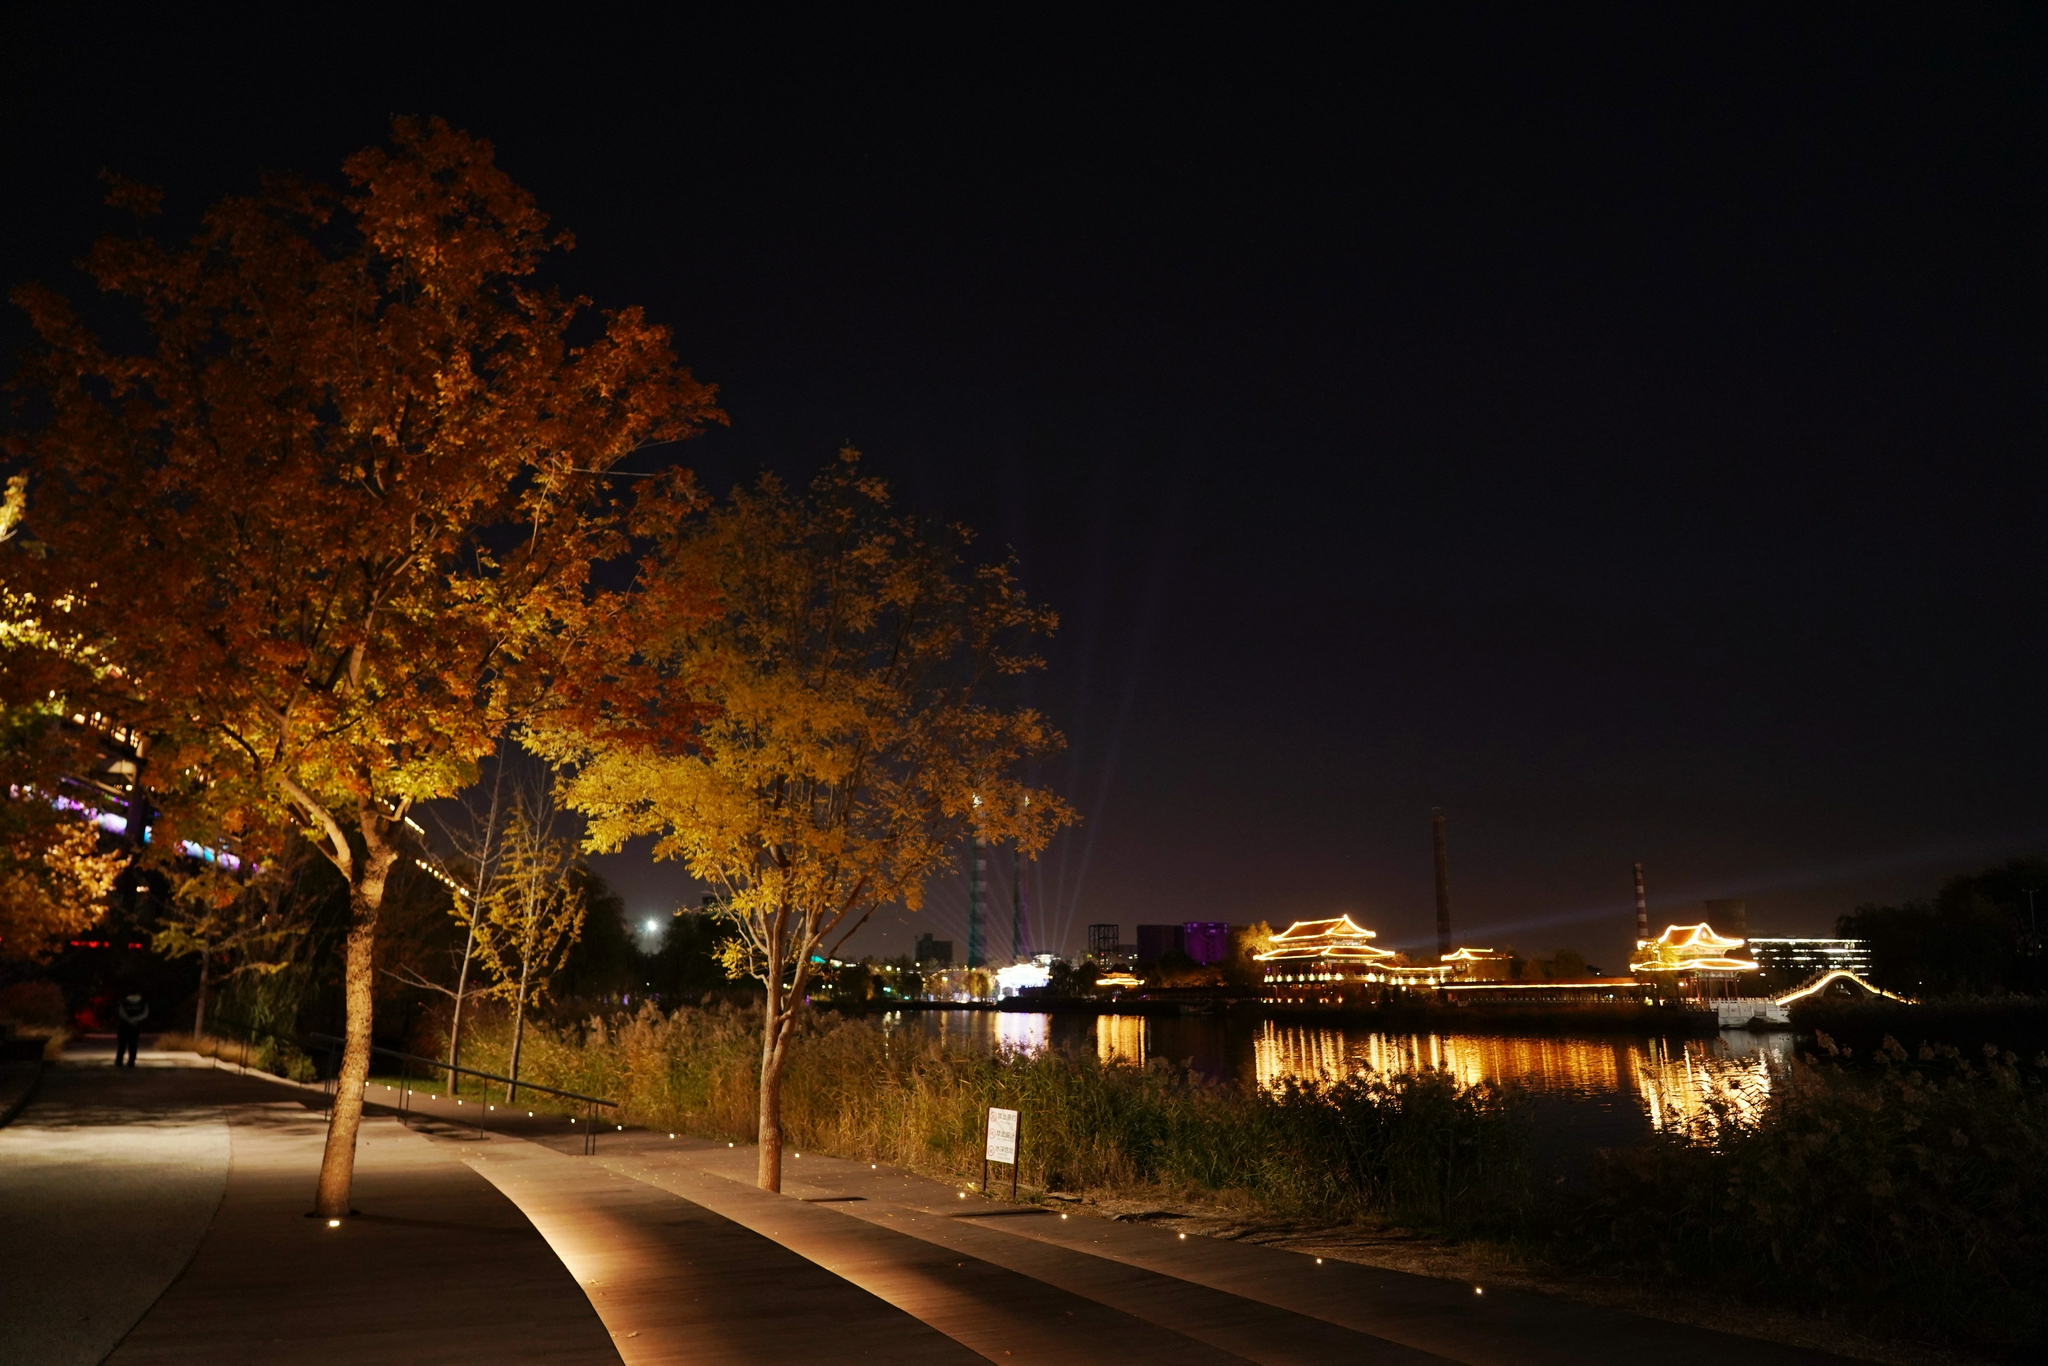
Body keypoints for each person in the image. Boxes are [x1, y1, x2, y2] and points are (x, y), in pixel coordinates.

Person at [114, 992, 149, 1067]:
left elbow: (121, 1012)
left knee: (122, 1044)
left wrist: (128, 1019)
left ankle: (119, 1061)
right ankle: (131, 1061)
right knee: (133, 1044)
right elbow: (145, 1013)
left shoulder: (124, 1002)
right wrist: (135, 1019)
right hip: (136, 1025)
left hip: (124, 1025)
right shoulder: (142, 1002)